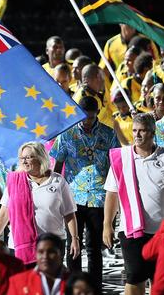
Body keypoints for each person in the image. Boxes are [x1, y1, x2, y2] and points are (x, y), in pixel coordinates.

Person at [103, 113, 164, 295]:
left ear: (152, 132)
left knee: (162, 280)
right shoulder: (121, 159)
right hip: (132, 230)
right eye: (134, 130)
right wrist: (107, 225)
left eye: (142, 131)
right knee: (135, 278)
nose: (137, 135)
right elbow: (112, 193)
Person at [50, 96, 118, 288]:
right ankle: (74, 286)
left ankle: (94, 288)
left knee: (94, 247)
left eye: (90, 117)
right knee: (73, 245)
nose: (86, 121)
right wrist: (54, 191)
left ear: (97, 113)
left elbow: (116, 166)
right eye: (83, 117)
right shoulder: (66, 135)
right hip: (73, 198)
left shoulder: (109, 134)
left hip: (99, 198)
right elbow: (58, 164)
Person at [0, 142, 79, 265]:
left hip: (52, 244)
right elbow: (3, 215)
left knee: (50, 283)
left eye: (28, 157)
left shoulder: (58, 181)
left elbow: (69, 213)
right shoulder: (15, 182)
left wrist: (74, 238)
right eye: (22, 158)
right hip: (20, 245)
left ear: (40, 157)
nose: (24, 161)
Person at [7, 233, 71, 295]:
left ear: (61, 254)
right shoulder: (18, 282)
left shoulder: (75, 281)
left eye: (51, 252)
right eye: (41, 252)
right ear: (35, 254)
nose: (45, 256)